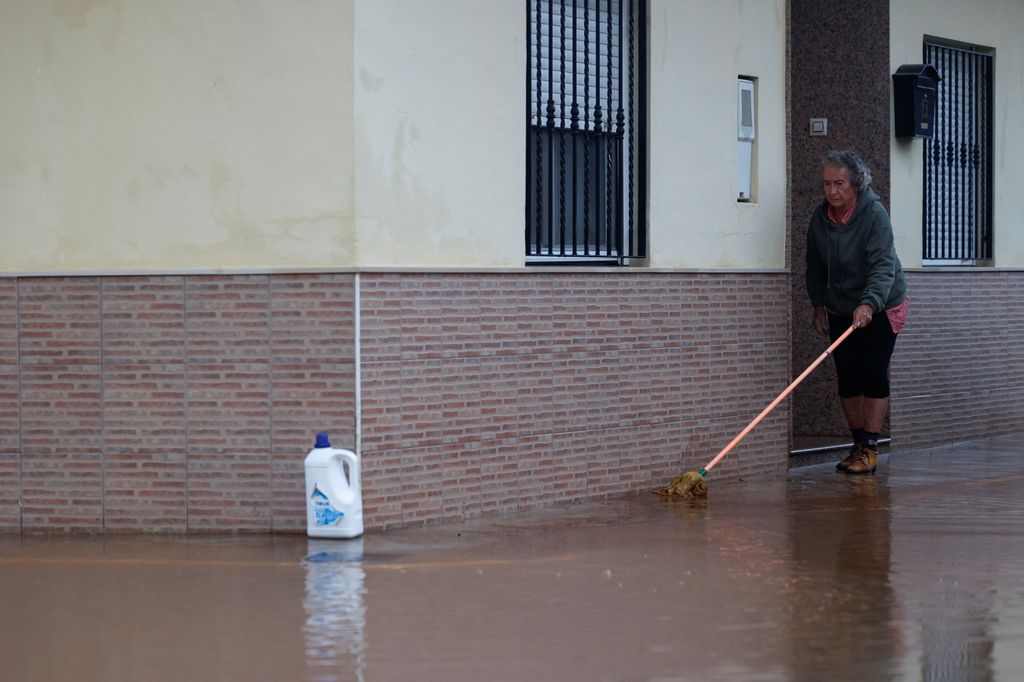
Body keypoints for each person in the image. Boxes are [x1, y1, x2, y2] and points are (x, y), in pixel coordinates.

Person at [805, 150, 908, 475]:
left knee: (873, 371)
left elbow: (882, 266)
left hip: (882, 303)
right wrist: (818, 303)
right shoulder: (820, 219)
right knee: (847, 376)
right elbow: (815, 266)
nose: (833, 192)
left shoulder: (874, 215)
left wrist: (869, 303)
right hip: (840, 304)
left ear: (856, 185)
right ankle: (857, 444)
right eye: (827, 185)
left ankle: (871, 447)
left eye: (840, 184)